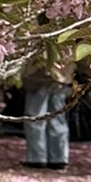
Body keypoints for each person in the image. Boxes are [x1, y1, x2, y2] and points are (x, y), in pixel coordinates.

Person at [22, 42, 71, 170]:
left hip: (39, 75)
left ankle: (37, 158)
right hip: (61, 76)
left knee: (35, 117)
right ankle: (59, 158)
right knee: (57, 117)